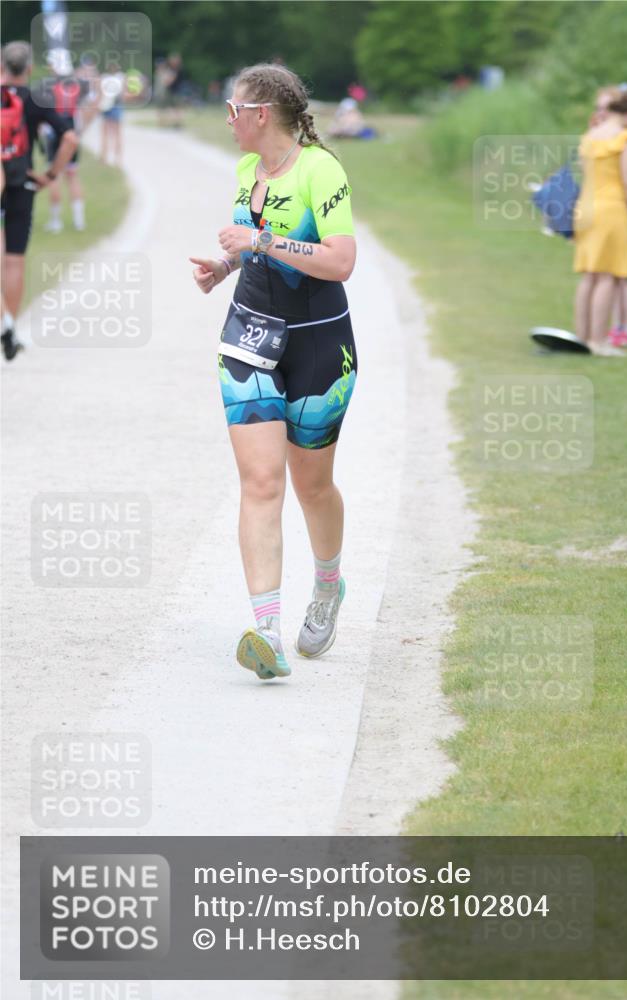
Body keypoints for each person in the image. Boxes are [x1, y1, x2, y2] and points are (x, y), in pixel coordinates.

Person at [190, 63, 357, 681]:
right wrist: (224, 267)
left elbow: (339, 261)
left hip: (318, 343)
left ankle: (329, 583)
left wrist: (258, 244)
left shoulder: (321, 170)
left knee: (312, 486)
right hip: (249, 338)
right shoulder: (246, 170)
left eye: (233, 109)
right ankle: (267, 634)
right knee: (261, 482)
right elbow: (254, 242)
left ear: (261, 114)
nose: (227, 120)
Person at [1, 41, 77, 361]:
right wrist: (50, 175)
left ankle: (4, 324)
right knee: (14, 260)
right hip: (22, 183)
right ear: (30, 69)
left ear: (2, 66)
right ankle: (9, 329)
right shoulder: (34, 100)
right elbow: (69, 138)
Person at [573, 90, 627, 357]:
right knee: (607, 276)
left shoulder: (590, 137)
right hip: (611, 210)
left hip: (585, 207)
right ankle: (598, 341)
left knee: (589, 276)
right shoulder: (626, 139)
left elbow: (584, 173)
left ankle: (582, 336)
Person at [43, 73, 90, 233]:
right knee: (72, 176)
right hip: (71, 131)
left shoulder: (49, 89)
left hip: (54, 133)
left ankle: (56, 221)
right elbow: (85, 111)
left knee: (54, 177)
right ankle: (79, 220)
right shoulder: (76, 88)